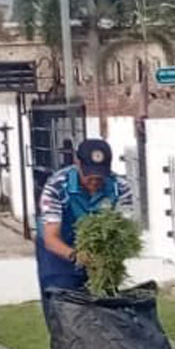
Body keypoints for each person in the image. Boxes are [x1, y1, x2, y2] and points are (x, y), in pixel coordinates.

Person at [35, 139, 133, 324]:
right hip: (59, 252)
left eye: (99, 177)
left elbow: (122, 230)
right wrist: (76, 256)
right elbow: (50, 238)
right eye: (89, 176)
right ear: (77, 163)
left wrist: (108, 257)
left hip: (98, 251)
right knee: (64, 309)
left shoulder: (120, 187)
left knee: (104, 309)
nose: (94, 182)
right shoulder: (57, 186)